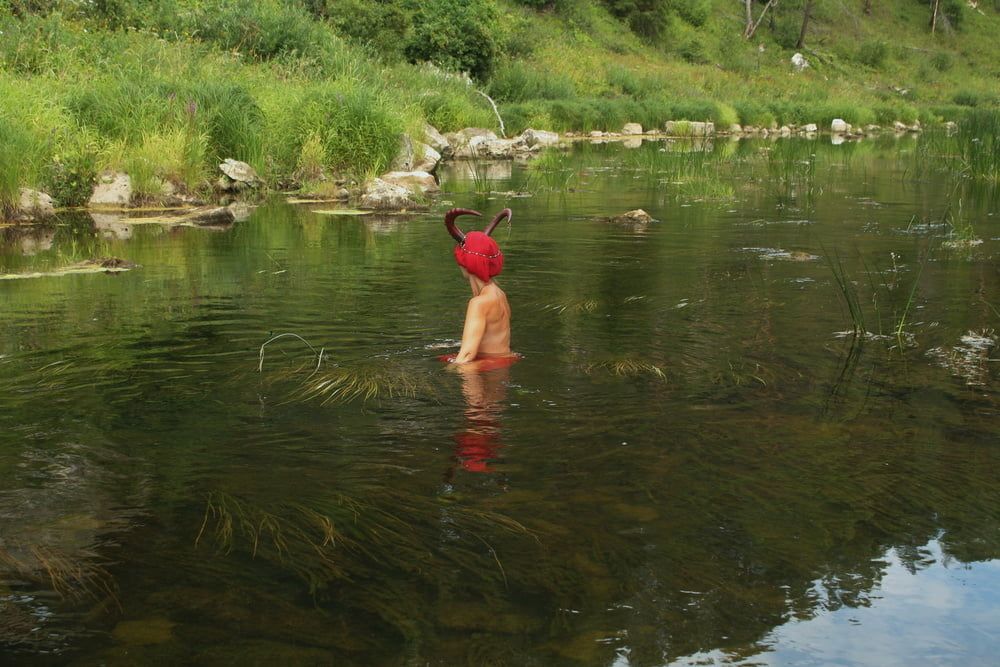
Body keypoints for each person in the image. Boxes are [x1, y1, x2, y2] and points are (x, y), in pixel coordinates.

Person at [442, 207, 515, 365]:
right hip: (502, 363)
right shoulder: (500, 294)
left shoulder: (479, 304)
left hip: (485, 370)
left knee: (450, 368)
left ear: (466, 264)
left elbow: (467, 356)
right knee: (443, 358)